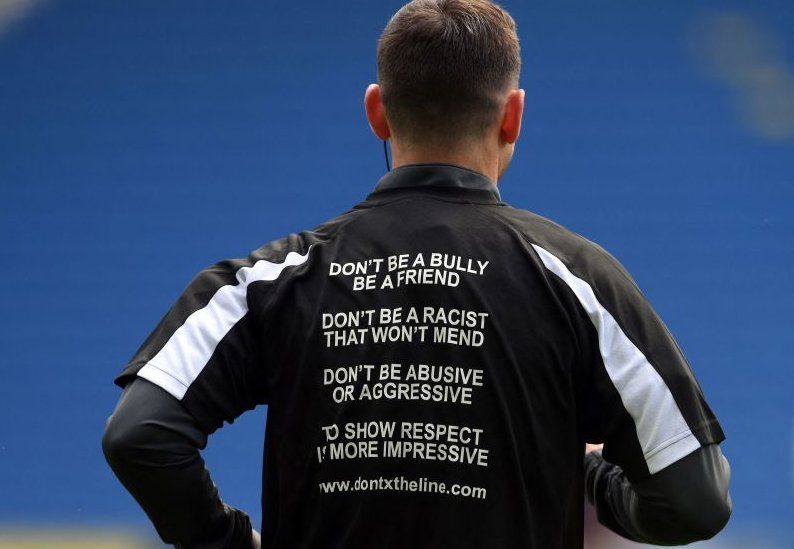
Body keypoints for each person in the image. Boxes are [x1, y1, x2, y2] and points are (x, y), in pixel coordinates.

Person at [102, 0, 732, 547]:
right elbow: (694, 501)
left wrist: (225, 543)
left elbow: (140, 436)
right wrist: (590, 472)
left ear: (377, 112)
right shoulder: (576, 281)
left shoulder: (272, 281)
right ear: (512, 116)